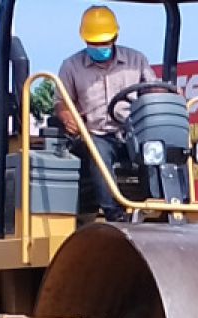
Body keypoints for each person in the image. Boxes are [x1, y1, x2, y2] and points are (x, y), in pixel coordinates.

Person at [56, 5, 157, 223]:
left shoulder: (136, 61)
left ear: (115, 36)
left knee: (158, 146)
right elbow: (62, 102)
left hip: (132, 131)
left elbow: (152, 89)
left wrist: (167, 93)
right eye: (94, 43)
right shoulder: (71, 66)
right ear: (84, 39)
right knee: (97, 152)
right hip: (96, 134)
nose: (99, 46)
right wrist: (66, 114)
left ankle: (163, 204)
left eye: (104, 42)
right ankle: (113, 212)